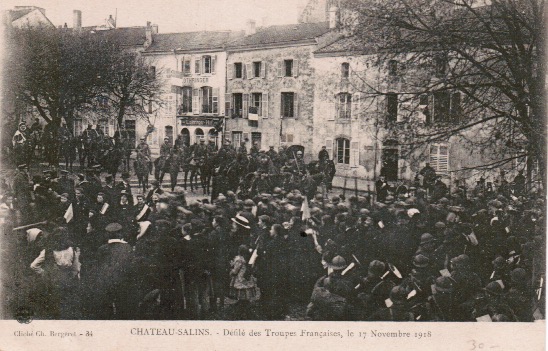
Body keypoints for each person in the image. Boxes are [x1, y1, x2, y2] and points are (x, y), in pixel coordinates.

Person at [229, 244, 257, 319]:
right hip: (247, 279)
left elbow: (235, 271)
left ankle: (241, 309)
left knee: (241, 293)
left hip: (240, 279)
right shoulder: (248, 259)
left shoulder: (239, 259)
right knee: (246, 293)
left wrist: (231, 271)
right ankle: (245, 305)